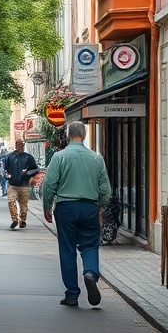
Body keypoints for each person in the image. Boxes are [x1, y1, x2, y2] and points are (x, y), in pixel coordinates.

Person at [42, 122, 111, 307]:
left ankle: (72, 294)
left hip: (65, 208)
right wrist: (100, 207)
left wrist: (47, 207)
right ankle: (90, 273)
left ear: (68, 136)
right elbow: (105, 189)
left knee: (67, 249)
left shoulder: (59, 157)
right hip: (89, 207)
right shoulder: (96, 158)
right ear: (84, 135)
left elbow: (49, 185)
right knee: (90, 245)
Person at [3, 139, 40, 229]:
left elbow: (35, 169)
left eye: (22, 144)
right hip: (12, 184)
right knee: (11, 201)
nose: (21, 146)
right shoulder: (9, 157)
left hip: (24, 184)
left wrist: (29, 174)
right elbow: (4, 169)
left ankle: (22, 219)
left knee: (23, 204)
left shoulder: (28, 157)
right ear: (16, 145)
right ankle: (15, 219)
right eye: (19, 144)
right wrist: (6, 175)